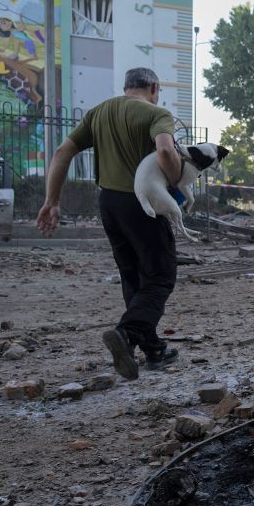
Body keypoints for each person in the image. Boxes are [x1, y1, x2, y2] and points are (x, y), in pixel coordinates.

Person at [36, 67, 183, 380]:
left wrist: (52, 201)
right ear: (154, 87)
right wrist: (174, 182)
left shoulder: (98, 113)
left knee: (132, 276)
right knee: (160, 276)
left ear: (127, 87)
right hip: (141, 203)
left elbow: (63, 151)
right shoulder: (157, 113)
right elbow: (166, 149)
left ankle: (152, 348)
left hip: (109, 205)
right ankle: (128, 335)